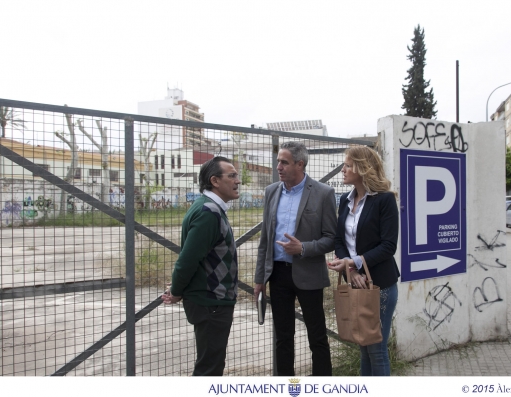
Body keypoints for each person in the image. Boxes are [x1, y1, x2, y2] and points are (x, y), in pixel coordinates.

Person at [254, 141, 337, 376]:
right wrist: (260, 279)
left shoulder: (323, 193)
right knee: (282, 337)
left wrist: (302, 248)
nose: (278, 167)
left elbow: (331, 238)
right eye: (278, 161)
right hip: (278, 275)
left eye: (284, 162)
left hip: (309, 273)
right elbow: (265, 239)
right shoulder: (271, 192)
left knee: (317, 336)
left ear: (300, 164)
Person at [162, 156, 241, 376]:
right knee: (209, 369)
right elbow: (187, 260)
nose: (238, 181)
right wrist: (176, 291)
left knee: (211, 364)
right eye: (232, 176)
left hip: (213, 301)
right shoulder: (209, 212)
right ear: (215, 181)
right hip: (211, 302)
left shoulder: (210, 208)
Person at [327, 146, 400, 376]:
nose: (343, 170)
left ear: (362, 168)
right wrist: (351, 271)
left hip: (381, 286)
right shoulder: (344, 200)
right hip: (355, 282)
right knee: (363, 347)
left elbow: (388, 246)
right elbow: (339, 240)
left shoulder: (385, 200)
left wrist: (353, 263)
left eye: (348, 165)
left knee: (376, 350)